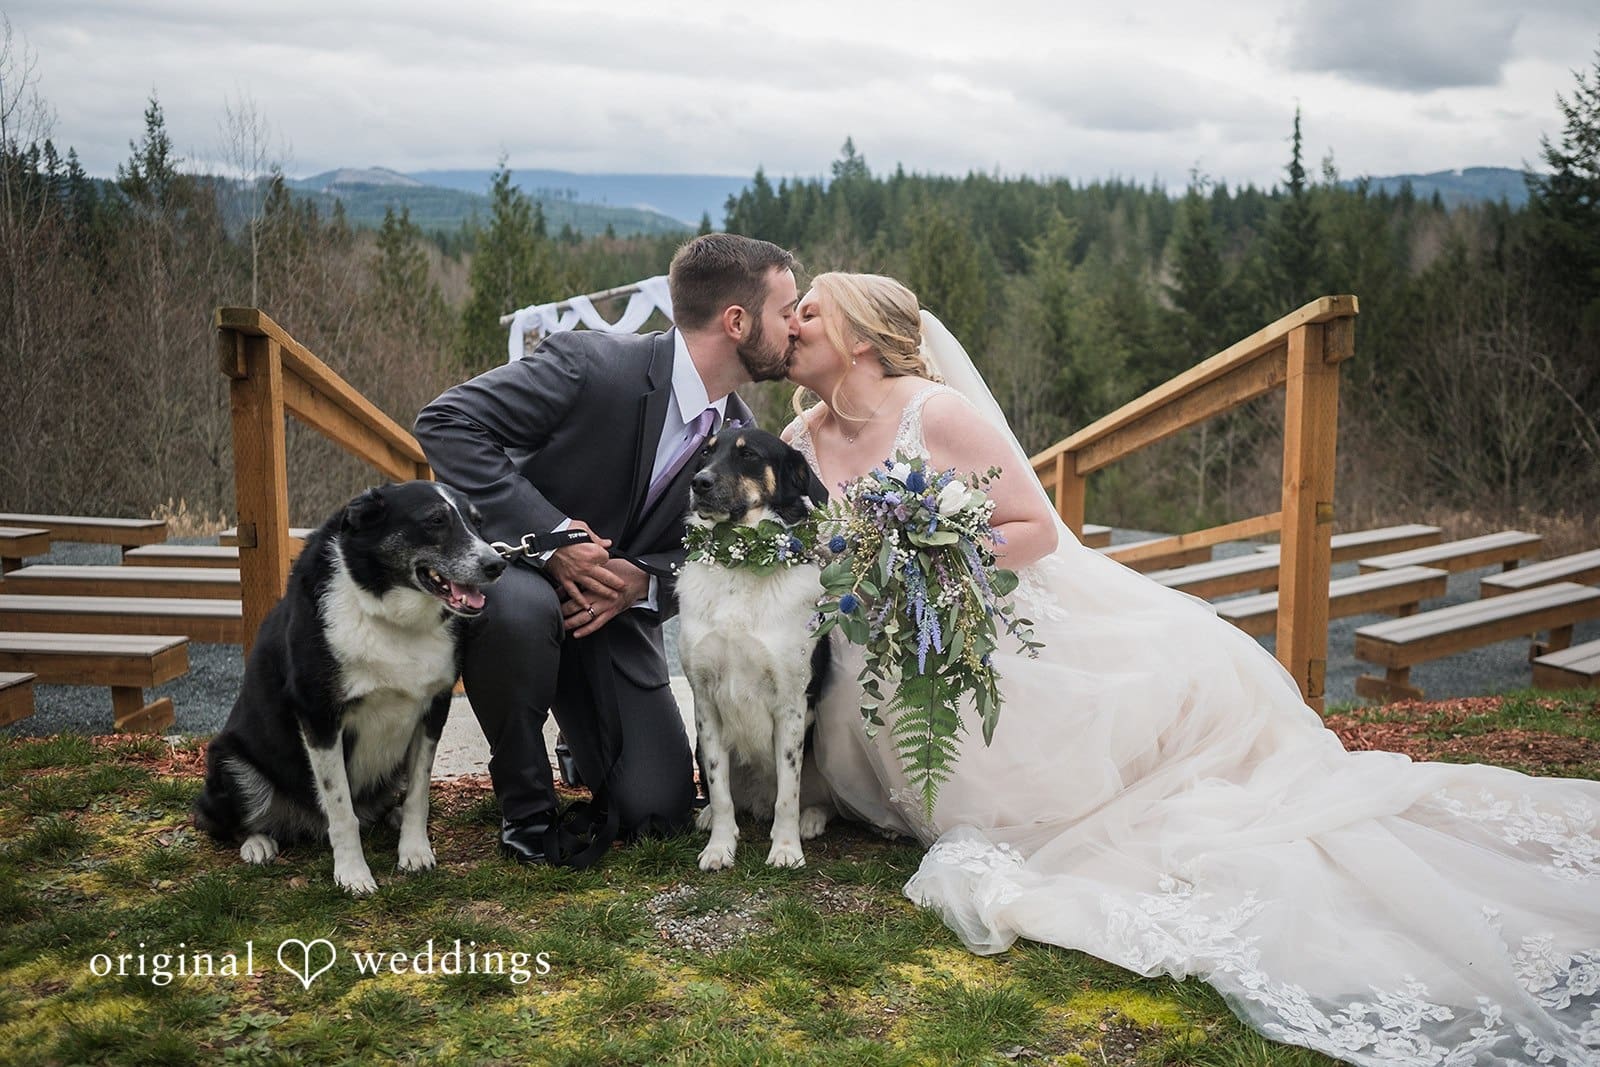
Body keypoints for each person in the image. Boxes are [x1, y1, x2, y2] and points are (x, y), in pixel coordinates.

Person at [782, 271, 1600, 1067]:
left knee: (1055, 809)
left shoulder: (938, 414)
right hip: (882, 659)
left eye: (810, 313)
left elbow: (1036, 526)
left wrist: (928, 558)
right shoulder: (796, 439)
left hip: (989, 635)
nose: (793, 324)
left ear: (859, 338)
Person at [414, 234, 799, 866]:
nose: (795, 327)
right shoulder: (592, 363)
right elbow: (447, 422)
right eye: (787, 312)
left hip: (612, 618)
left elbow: (719, 557)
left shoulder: (737, 437)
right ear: (737, 322)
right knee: (516, 612)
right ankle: (527, 806)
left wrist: (641, 583)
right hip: (518, 575)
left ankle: (582, 735)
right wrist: (556, 536)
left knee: (659, 811)